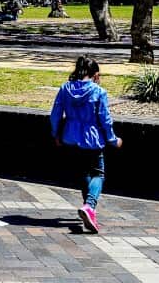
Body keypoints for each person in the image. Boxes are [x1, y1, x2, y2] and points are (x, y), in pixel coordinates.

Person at [49, 56, 122, 234]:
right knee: (98, 173)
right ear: (95, 74)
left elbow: (55, 114)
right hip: (92, 138)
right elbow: (105, 120)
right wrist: (113, 139)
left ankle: (89, 210)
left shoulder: (65, 89)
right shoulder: (98, 92)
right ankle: (89, 206)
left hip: (71, 136)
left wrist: (56, 134)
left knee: (84, 173)